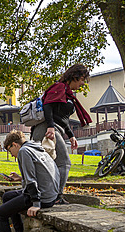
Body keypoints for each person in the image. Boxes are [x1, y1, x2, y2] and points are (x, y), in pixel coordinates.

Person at [0, 130, 60, 232]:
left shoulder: (24, 152)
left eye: (10, 151)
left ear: (15, 145)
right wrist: (20, 178)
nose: (11, 155)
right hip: (50, 194)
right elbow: (39, 174)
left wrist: (36, 204)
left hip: (41, 197)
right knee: (7, 196)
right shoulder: (36, 148)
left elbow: (32, 180)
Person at [31, 64, 92, 203]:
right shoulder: (59, 87)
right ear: (75, 76)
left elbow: (62, 118)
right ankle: (56, 197)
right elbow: (47, 106)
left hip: (55, 128)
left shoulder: (68, 93)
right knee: (64, 162)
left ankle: (47, 195)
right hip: (45, 128)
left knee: (48, 164)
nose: (83, 83)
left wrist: (71, 135)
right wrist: (51, 127)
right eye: (82, 79)